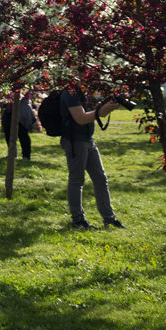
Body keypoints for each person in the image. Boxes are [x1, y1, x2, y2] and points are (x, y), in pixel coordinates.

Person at [60, 83, 124, 230]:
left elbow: (93, 113)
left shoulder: (85, 91)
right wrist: (101, 111)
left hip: (88, 139)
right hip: (75, 140)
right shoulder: (70, 92)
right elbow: (81, 118)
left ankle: (109, 218)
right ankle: (78, 220)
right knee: (77, 180)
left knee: (101, 178)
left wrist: (104, 108)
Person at [1, 95, 37, 160]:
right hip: (9, 111)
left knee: (23, 134)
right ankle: (12, 154)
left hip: (21, 112)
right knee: (8, 135)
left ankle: (26, 155)